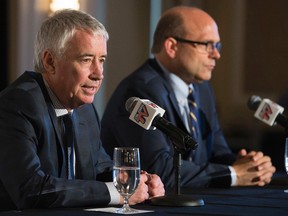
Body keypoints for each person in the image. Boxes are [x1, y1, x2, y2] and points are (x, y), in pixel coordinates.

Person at [0, 9, 165, 210]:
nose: (99, 73)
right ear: (50, 62)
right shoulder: (16, 105)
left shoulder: (84, 109)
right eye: (86, 60)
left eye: (101, 60)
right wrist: (119, 193)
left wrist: (138, 182)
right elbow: (31, 189)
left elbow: (100, 169)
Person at [101, 6, 276, 189]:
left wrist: (250, 166)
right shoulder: (140, 91)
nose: (216, 54)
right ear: (172, 47)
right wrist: (233, 174)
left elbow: (217, 151)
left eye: (217, 46)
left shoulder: (202, 88)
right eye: (207, 44)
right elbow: (160, 170)